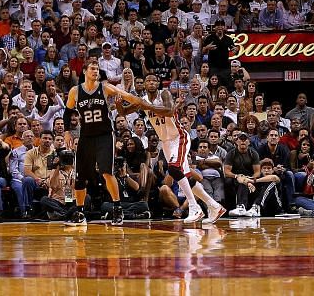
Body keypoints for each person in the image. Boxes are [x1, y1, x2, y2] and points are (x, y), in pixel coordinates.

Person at [119, 73, 226, 224]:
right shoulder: (142, 100)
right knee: (186, 177)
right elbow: (123, 112)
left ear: (158, 83)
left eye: (153, 80)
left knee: (174, 169)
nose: (150, 83)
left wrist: (146, 106)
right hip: (166, 142)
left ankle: (195, 208)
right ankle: (214, 206)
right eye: (147, 80)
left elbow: (169, 110)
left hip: (179, 138)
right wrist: (118, 102)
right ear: (143, 84)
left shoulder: (164, 94)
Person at [63, 60, 157, 226]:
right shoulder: (75, 91)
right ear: (84, 71)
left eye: (97, 69)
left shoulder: (105, 88)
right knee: (80, 178)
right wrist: (66, 132)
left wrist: (144, 104)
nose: (95, 71)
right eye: (92, 68)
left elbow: (129, 97)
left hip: (105, 135)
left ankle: (117, 208)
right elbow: (68, 111)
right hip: (86, 136)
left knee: (106, 172)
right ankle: (80, 213)